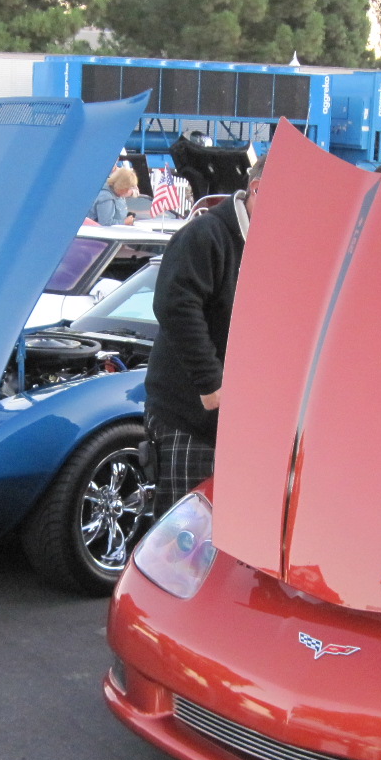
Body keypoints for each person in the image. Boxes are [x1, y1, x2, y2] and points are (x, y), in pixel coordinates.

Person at [143, 153, 265, 516]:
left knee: (221, 533)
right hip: (190, 417)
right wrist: (211, 384)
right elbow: (175, 306)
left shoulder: (268, 245)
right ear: (257, 190)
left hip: (237, 423)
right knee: (183, 531)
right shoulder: (206, 234)